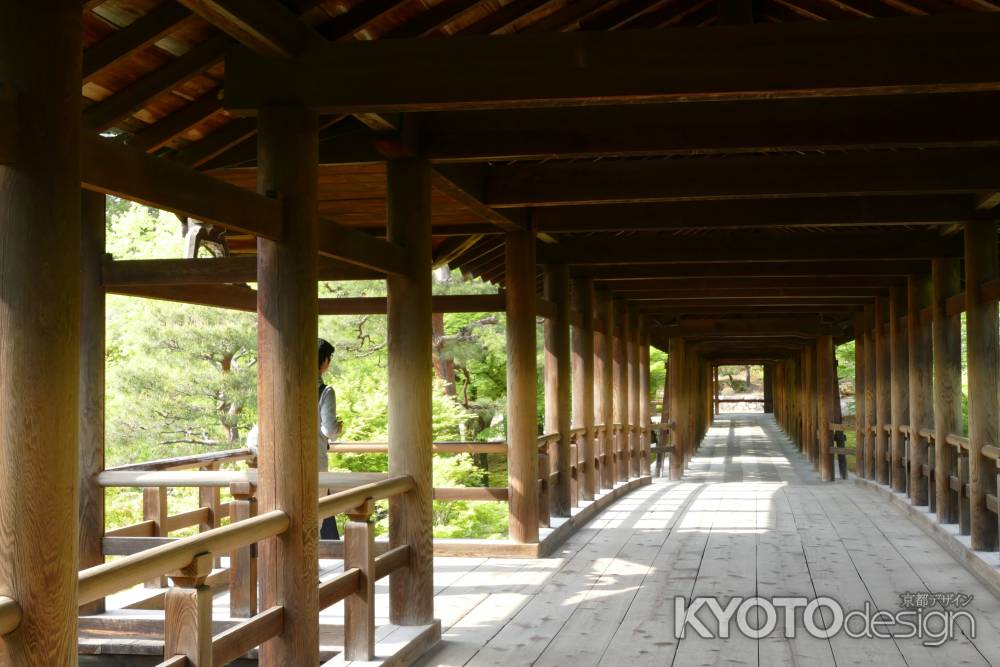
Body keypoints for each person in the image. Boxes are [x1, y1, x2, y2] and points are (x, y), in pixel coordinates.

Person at [246, 338, 343, 539]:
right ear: (324, 362)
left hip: (283, 463)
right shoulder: (325, 392)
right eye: (329, 358)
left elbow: (259, 430)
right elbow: (330, 431)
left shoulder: (284, 388)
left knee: (286, 512)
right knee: (315, 513)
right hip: (314, 461)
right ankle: (309, 562)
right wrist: (339, 427)